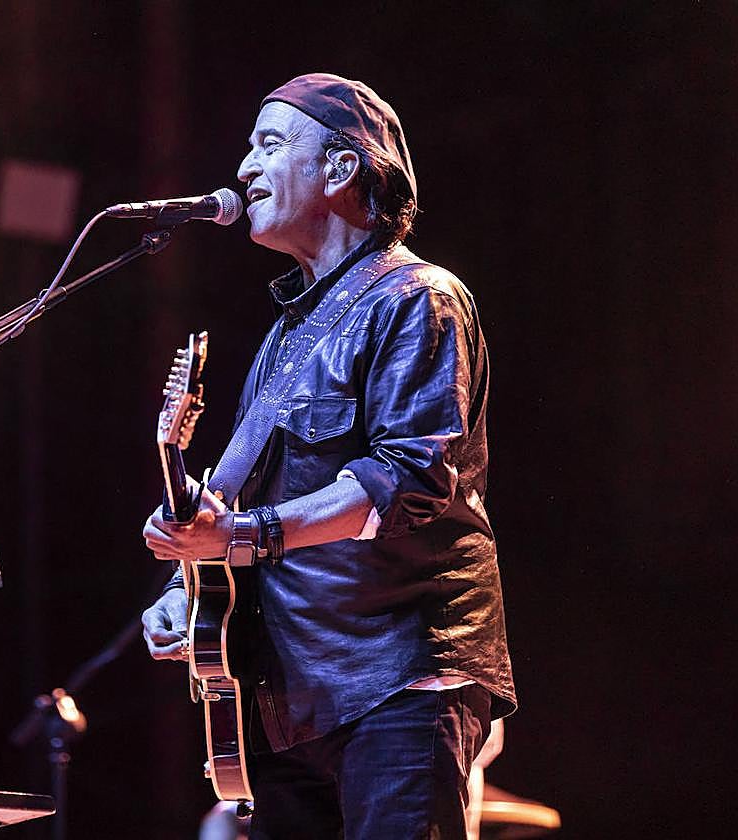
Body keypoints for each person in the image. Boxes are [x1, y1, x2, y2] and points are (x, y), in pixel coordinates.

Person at [141, 73, 517, 839]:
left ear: (342, 170)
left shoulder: (418, 299)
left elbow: (407, 480)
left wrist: (246, 535)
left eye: (269, 144)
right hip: (291, 699)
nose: (244, 167)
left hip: (401, 683)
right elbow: (244, 507)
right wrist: (191, 578)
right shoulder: (284, 340)